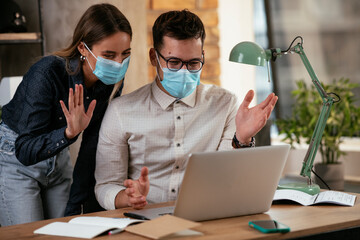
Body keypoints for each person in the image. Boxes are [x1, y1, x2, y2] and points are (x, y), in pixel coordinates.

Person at [94, 9, 277, 210]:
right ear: (154, 57)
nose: (184, 71)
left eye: (193, 63)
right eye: (174, 62)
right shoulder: (121, 111)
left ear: (203, 57)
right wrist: (127, 198)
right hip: (143, 219)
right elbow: (106, 185)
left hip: (206, 215)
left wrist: (241, 139)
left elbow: (229, 177)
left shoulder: (225, 104)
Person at [0, 3, 132, 226]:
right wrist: (69, 134)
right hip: (17, 160)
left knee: (65, 231)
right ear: (83, 48)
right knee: (30, 235)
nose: (119, 64)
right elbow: (24, 150)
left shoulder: (111, 82)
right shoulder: (47, 72)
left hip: (59, 162)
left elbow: (91, 147)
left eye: (125, 54)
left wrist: (74, 210)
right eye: (109, 55)